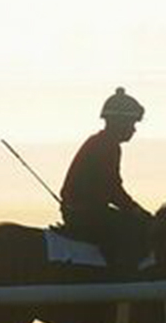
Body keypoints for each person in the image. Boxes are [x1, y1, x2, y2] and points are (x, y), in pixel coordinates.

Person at [60, 87, 153, 276]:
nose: (134, 129)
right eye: (132, 123)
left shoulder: (101, 142)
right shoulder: (107, 146)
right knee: (133, 232)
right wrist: (136, 210)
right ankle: (122, 279)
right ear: (120, 122)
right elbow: (113, 189)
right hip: (86, 213)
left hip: (81, 210)